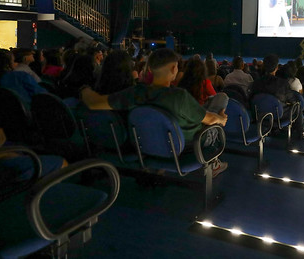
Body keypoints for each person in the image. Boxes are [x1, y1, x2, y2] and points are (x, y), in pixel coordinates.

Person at [80, 48, 229, 175]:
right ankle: (214, 163)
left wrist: (84, 89)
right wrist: (221, 119)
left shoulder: (136, 92)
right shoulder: (180, 97)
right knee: (220, 100)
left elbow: (93, 103)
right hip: (188, 147)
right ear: (173, 69)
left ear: (149, 68)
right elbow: (210, 120)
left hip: (149, 144)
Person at [250, 53, 304, 139]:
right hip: (279, 115)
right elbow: (293, 100)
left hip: (260, 114)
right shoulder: (282, 83)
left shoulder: (256, 83)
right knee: (297, 106)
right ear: (276, 68)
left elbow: (252, 98)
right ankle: (302, 132)